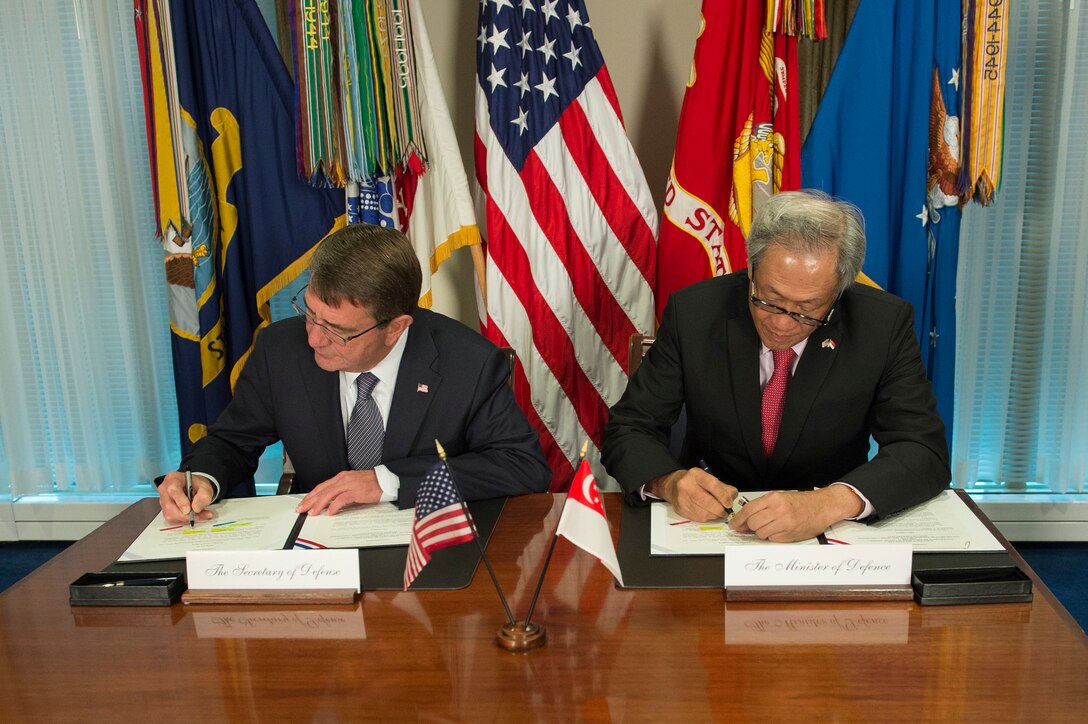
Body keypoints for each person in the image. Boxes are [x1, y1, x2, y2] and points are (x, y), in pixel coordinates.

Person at [601, 190, 950, 542]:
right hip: (712, 527)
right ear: (751, 268)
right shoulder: (694, 313)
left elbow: (924, 450)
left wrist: (828, 503)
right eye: (769, 299)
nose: (781, 325)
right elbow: (629, 428)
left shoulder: (882, 326)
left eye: (807, 309)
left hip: (831, 532)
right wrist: (669, 482)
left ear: (840, 291)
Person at [157, 224, 551, 523]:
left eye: (338, 330)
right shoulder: (280, 350)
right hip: (322, 543)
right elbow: (232, 441)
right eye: (310, 314)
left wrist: (388, 480)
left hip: (433, 541)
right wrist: (201, 477)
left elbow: (522, 466)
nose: (314, 339)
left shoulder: (469, 362)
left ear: (395, 327)